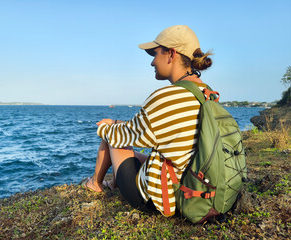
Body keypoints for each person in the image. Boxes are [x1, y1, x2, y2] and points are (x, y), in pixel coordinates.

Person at [82, 25, 213, 216]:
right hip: (195, 186)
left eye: (155, 53)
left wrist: (105, 127)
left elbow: (126, 136)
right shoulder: (207, 93)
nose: (152, 62)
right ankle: (112, 183)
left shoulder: (168, 96)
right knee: (122, 136)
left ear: (171, 54)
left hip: (165, 198)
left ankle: (95, 183)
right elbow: (148, 128)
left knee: (113, 137)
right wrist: (118, 122)